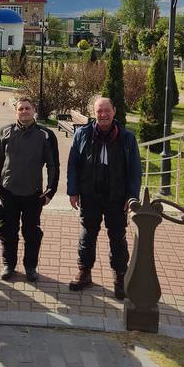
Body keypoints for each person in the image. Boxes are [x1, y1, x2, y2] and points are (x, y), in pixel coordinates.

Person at [66, 96, 141, 298]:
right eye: (99, 111)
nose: (103, 115)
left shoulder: (127, 138)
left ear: (114, 111)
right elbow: (73, 163)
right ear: (94, 113)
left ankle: (120, 276)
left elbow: (135, 170)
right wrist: (73, 191)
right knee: (87, 235)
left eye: (107, 110)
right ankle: (84, 272)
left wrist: (132, 195)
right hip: (90, 195)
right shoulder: (83, 134)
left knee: (117, 237)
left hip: (116, 197)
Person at [0, 96, 59, 282]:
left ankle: (30, 267)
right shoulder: (5, 132)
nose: (24, 111)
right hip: (8, 191)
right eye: (21, 109)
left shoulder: (45, 135)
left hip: (33, 194)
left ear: (34, 110)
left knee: (32, 233)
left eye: (28, 108)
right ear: (16, 111)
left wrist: (51, 191)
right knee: (8, 230)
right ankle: (8, 264)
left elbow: (53, 165)